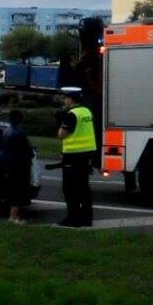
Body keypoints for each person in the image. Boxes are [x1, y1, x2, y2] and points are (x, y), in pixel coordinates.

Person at [57, 87, 96, 228]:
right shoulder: (86, 111)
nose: (64, 100)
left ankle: (72, 219)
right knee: (83, 188)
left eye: (65, 98)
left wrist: (60, 123)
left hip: (72, 156)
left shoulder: (71, 114)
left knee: (70, 189)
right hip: (86, 155)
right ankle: (87, 218)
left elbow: (61, 134)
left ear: (70, 99)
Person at [0, 109, 34, 224]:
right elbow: (29, 151)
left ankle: (12, 215)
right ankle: (13, 217)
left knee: (12, 191)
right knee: (18, 192)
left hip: (8, 165)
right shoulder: (20, 133)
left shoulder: (5, 132)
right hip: (19, 166)